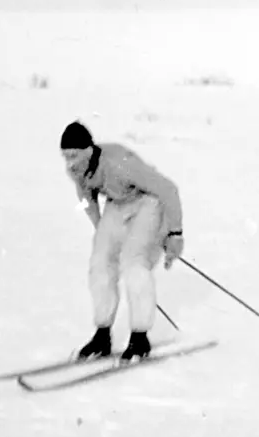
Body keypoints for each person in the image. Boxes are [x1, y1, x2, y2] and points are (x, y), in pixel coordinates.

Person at [59, 120, 185, 362]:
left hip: (147, 201)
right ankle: (102, 334)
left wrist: (174, 233)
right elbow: (86, 200)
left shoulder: (119, 163)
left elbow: (168, 189)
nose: (69, 163)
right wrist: (102, 231)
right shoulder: (78, 170)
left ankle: (139, 337)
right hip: (118, 204)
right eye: (65, 156)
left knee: (133, 262)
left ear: (87, 151)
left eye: (74, 155)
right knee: (100, 261)